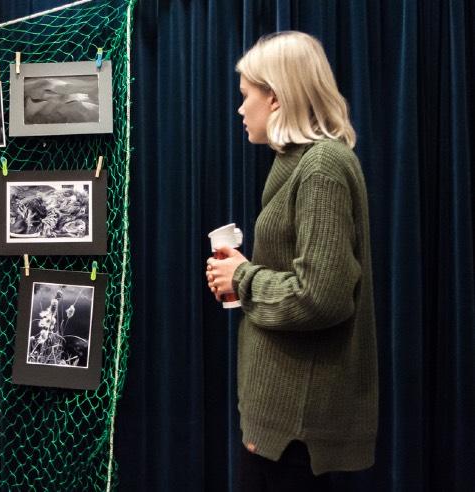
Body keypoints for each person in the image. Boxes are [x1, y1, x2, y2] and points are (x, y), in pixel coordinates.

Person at [205, 31, 378, 490]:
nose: (241, 109)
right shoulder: (301, 162)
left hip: (296, 430)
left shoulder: (321, 167)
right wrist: (242, 275)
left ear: (276, 98)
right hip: (282, 421)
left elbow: (321, 297)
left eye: (246, 97)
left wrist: (242, 277)